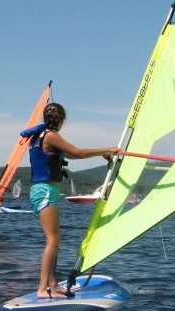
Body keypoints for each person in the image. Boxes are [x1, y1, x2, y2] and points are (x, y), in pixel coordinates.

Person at [27, 103, 118, 299]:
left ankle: (52, 284)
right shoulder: (50, 135)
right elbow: (76, 152)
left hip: (45, 190)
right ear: (60, 120)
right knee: (53, 241)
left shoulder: (40, 136)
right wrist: (108, 149)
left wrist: (102, 154)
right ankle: (42, 289)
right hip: (44, 191)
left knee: (55, 241)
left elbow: (70, 155)